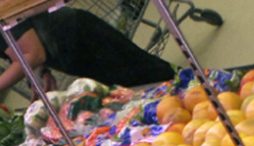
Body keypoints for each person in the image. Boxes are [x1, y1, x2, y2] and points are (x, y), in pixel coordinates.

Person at [0, 6, 176, 94]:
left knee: (151, 77)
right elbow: (22, 43)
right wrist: (42, 72)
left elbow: (33, 53)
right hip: (67, 48)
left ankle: (197, 92)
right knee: (134, 90)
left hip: (77, 37)